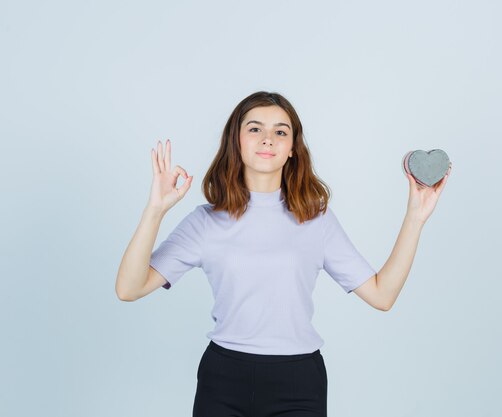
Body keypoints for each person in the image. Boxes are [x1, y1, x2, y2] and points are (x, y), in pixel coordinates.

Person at [115, 91, 451, 417]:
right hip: (223, 378)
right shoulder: (206, 222)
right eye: (255, 128)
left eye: (280, 131)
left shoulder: (316, 218)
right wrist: (155, 210)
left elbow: (383, 295)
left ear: (292, 148)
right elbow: (129, 288)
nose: (267, 139)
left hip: (298, 382)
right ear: (237, 141)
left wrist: (415, 218)